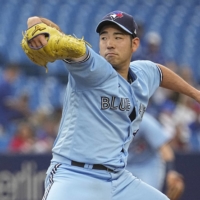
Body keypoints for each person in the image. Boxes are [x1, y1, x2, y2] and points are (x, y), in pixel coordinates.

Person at [23, 10, 200, 200]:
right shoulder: (92, 68)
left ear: (135, 44)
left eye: (118, 37)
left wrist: (195, 94)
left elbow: (160, 73)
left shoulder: (143, 73)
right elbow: (68, 46)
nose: (109, 44)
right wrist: (35, 23)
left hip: (117, 180)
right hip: (73, 176)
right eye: (104, 37)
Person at [126, 112, 185, 200]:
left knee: (149, 196)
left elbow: (164, 148)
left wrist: (170, 171)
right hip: (124, 165)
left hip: (146, 165)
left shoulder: (144, 121)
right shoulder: (108, 123)